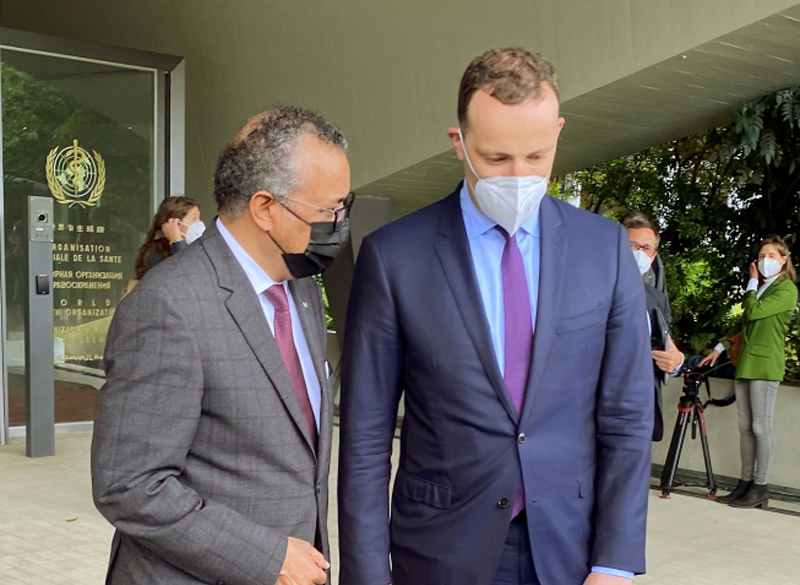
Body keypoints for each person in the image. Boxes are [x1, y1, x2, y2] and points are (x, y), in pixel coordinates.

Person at [338, 47, 653, 585]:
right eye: (497, 158)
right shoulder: (395, 256)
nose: (519, 175)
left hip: (570, 550)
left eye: (537, 156)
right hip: (440, 550)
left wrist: (615, 562)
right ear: (458, 142)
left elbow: (627, 415)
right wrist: (367, 576)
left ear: (558, 132)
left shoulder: (603, 249)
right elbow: (365, 435)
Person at [92, 106, 353, 585]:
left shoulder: (300, 288)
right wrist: (267, 557)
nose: (339, 222)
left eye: (344, 206)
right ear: (265, 208)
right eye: (329, 210)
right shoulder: (168, 305)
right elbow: (128, 485)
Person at [698, 235, 798, 509]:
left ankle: (760, 486)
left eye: (771, 256)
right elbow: (744, 326)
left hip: (765, 365)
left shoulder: (786, 289)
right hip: (746, 363)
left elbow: (753, 313)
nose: (765, 261)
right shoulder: (764, 289)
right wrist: (720, 346)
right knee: (745, 428)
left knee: (761, 427)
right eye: (762, 256)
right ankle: (745, 483)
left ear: (784, 260)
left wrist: (752, 282)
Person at [623, 213, 685, 441]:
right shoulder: (591, 289)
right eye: (633, 245)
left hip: (642, 409)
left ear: (654, 255)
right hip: (597, 408)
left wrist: (677, 362)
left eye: (646, 248)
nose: (640, 252)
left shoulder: (657, 298)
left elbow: (669, 345)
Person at [133, 195, 204, 280]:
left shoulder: (195, 249)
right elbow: (188, 277)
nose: (199, 223)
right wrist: (177, 242)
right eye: (194, 219)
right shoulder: (155, 253)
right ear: (175, 223)